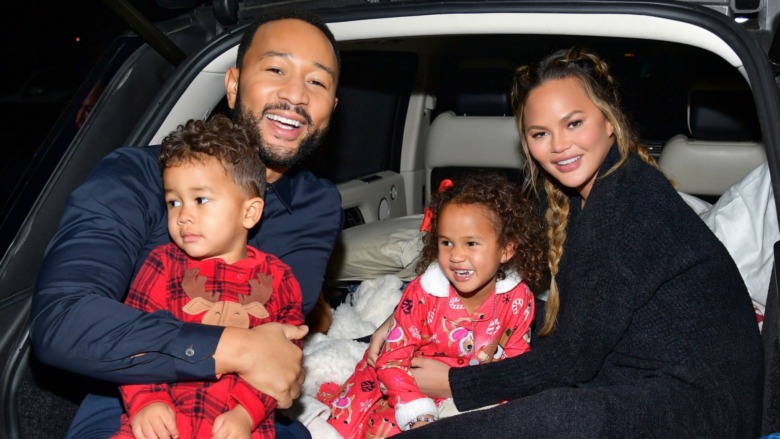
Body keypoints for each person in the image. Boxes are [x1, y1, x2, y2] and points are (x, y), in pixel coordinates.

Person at [375, 47, 764, 438]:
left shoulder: (630, 202)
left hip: (704, 406)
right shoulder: (570, 193)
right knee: (511, 323)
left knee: (561, 414)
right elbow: (514, 288)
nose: (559, 146)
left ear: (609, 121)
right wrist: (405, 319)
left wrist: (456, 384)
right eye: (540, 133)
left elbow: (574, 359)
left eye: (574, 123)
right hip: (635, 361)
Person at [30, 10, 343, 439]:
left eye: (317, 82)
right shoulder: (136, 177)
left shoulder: (318, 205)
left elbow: (282, 339)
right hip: (135, 395)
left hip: (246, 408)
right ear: (233, 85)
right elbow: (62, 320)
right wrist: (235, 346)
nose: (296, 95)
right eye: (276, 69)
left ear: (332, 108)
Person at [112, 114, 303, 439]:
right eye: (173, 202)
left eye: (200, 199)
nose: (183, 216)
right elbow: (133, 338)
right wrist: (145, 400)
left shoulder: (279, 279)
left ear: (250, 212)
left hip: (241, 427)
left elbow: (284, 362)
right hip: (161, 424)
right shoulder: (162, 265)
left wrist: (247, 413)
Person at [318, 173, 547, 437]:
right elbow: (392, 361)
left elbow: (514, 361)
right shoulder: (423, 295)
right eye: (446, 242)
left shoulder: (518, 299)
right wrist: (418, 414)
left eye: (471, 243)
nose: (457, 256)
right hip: (404, 386)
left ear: (506, 250)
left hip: (471, 387)